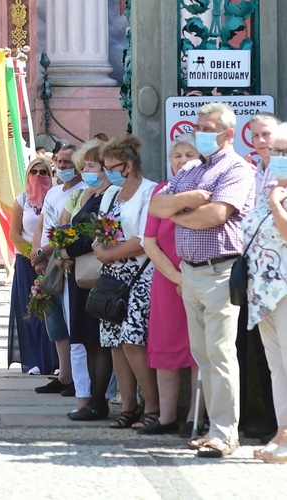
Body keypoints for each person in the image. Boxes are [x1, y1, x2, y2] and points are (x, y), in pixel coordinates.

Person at [149, 102, 254, 458]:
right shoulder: (191, 167)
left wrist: (179, 210)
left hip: (220, 270)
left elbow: (215, 215)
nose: (201, 134)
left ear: (227, 134)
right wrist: (188, 202)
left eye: (209, 129)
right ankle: (211, 428)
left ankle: (225, 433)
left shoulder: (237, 169)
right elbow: (156, 207)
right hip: (191, 272)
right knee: (202, 355)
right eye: (198, 127)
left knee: (221, 354)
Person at [93, 136, 158, 430]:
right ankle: (128, 405)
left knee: (133, 339)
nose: (107, 173)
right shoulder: (110, 195)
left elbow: (144, 240)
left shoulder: (149, 192)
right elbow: (99, 231)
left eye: (111, 167)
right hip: (113, 276)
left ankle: (153, 405)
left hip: (141, 273)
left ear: (128, 165)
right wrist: (100, 248)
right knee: (114, 342)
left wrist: (107, 254)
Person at [141, 134, 203, 435]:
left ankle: (194, 417)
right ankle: (166, 418)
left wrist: (189, 279)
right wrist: (178, 278)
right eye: (177, 156)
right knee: (165, 351)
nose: (182, 161)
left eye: (189, 154)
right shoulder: (161, 192)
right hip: (168, 284)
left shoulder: (209, 191)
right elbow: (149, 242)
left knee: (198, 352)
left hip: (202, 279)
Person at [54, 141, 114, 421]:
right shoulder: (92, 194)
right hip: (80, 275)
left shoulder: (107, 197)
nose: (85, 171)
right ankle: (91, 400)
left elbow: (93, 235)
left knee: (97, 341)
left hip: (94, 275)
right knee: (88, 342)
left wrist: (67, 250)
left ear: (104, 168)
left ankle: (98, 401)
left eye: (90, 166)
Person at [244, 123, 287, 462]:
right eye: (277, 151)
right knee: (277, 367)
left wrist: (275, 203)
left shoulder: (273, 194)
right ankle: (281, 433)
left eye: (285, 152)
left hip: (284, 289)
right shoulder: (267, 186)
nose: (279, 157)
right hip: (263, 292)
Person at [29, 144, 86, 395]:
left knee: (71, 318)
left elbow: (68, 231)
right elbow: (42, 224)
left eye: (68, 162)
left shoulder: (83, 192)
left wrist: (44, 252)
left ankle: (79, 378)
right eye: (59, 162)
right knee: (54, 320)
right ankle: (64, 375)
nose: (62, 166)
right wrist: (37, 254)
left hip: (68, 259)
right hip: (48, 262)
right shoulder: (53, 192)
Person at [7, 155, 57, 375]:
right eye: (34, 172)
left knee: (53, 311)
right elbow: (15, 234)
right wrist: (34, 256)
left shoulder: (56, 198)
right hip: (27, 262)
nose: (38, 176)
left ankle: (56, 360)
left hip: (53, 261)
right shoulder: (21, 200)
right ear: (28, 175)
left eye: (43, 172)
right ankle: (34, 359)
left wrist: (44, 255)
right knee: (30, 312)